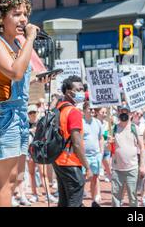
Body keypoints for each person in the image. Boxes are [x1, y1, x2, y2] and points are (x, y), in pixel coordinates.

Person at [0, 0, 48, 207]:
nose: (23, 19)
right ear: (0, 17)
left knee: (16, 177)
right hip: (0, 115)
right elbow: (15, 72)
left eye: (25, 14)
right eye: (16, 14)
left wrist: (38, 80)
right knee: (5, 182)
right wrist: (30, 38)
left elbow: (18, 79)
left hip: (18, 113)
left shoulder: (16, 44)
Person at [53, 76, 93, 207]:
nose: (83, 92)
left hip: (58, 160)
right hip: (70, 162)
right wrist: (87, 166)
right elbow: (76, 143)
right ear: (69, 92)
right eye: (79, 89)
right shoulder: (74, 111)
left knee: (64, 201)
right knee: (74, 202)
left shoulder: (59, 108)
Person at [111, 105, 145, 207]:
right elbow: (110, 148)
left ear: (130, 114)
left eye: (126, 112)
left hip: (132, 168)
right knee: (116, 196)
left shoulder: (135, 128)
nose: (124, 114)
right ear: (118, 113)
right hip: (117, 169)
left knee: (133, 196)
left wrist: (142, 165)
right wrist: (109, 143)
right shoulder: (114, 128)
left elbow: (142, 148)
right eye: (122, 112)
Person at [27, 104, 58, 204]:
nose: (32, 114)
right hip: (29, 151)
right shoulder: (26, 124)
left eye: (34, 112)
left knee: (43, 174)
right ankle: (34, 194)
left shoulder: (41, 122)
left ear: (37, 112)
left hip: (39, 151)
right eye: (30, 113)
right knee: (31, 173)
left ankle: (48, 194)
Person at [82, 102, 104, 207]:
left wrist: (101, 152)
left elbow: (101, 138)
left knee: (94, 179)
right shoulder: (80, 123)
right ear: (84, 110)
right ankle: (79, 200)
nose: (92, 111)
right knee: (81, 179)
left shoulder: (98, 123)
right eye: (90, 109)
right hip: (83, 157)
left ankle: (94, 201)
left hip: (96, 156)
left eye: (93, 110)